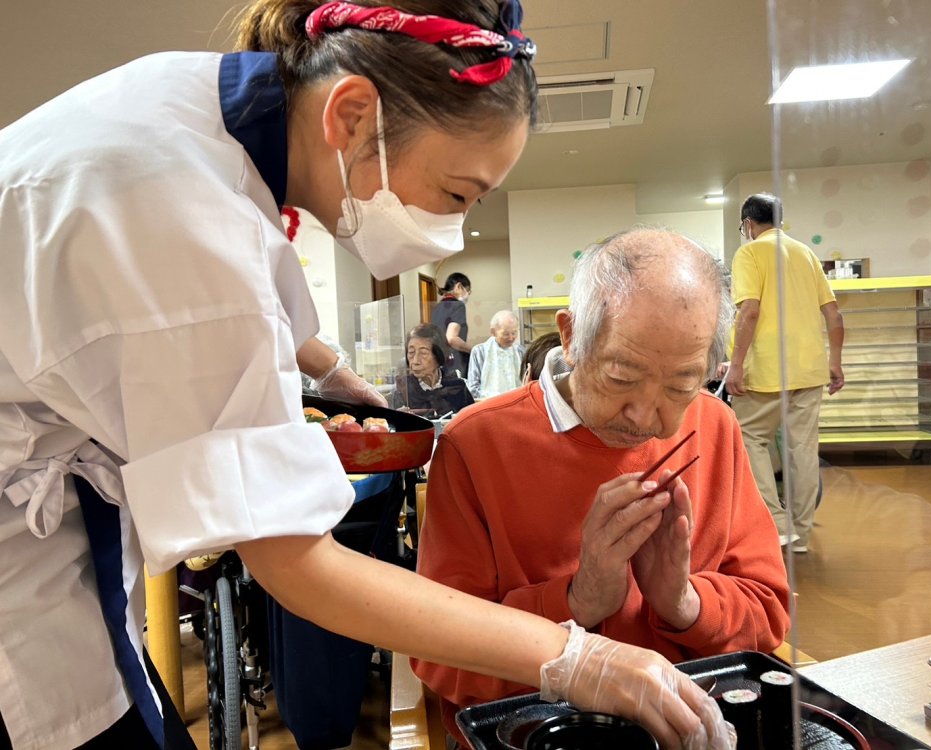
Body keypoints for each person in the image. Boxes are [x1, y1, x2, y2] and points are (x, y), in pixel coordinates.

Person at [0, 1, 731, 748]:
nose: (454, 227)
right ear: (352, 115)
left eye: (682, 385)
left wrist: (330, 367)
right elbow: (296, 564)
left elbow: (227, 301)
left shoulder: (200, 126)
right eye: (458, 195)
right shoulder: (178, 210)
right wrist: (576, 655)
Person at [412, 228, 791, 747]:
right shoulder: (474, 445)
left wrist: (684, 604)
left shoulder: (714, 426)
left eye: (681, 385)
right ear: (570, 336)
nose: (644, 417)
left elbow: (767, 612)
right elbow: (438, 656)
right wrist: (577, 600)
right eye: (620, 375)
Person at [727, 193, 845, 553]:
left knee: (750, 439)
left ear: (748, 224)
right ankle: (801, 535)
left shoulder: (750, 252)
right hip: (810, 369)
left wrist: (735, 363)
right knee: (803, 450)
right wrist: (835, 361)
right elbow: (834, 315)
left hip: (766, 370)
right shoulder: (805, 253)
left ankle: (778, 525)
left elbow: (749, 311)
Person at [391, 324, 475, 416]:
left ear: (439, 356)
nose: (415, 361)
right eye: (411, 353)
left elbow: (472, 423)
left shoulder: (457, 386)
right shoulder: (402, 389)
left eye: (423, 353)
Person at [466, 310, 524, 399]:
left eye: (514, 333)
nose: (511, 338)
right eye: (506, 334)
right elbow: (473, 387)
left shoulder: (520, 351)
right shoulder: (479, 352)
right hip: (487, 405)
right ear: (493, 332)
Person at [431, 272, 473, 376]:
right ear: (459, 287)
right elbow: (451, 339)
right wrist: (474, 350)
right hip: (455, 363)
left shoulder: (438, 307)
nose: (467, 295)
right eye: (468, 291)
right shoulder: (457, 306)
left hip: (440, 362)